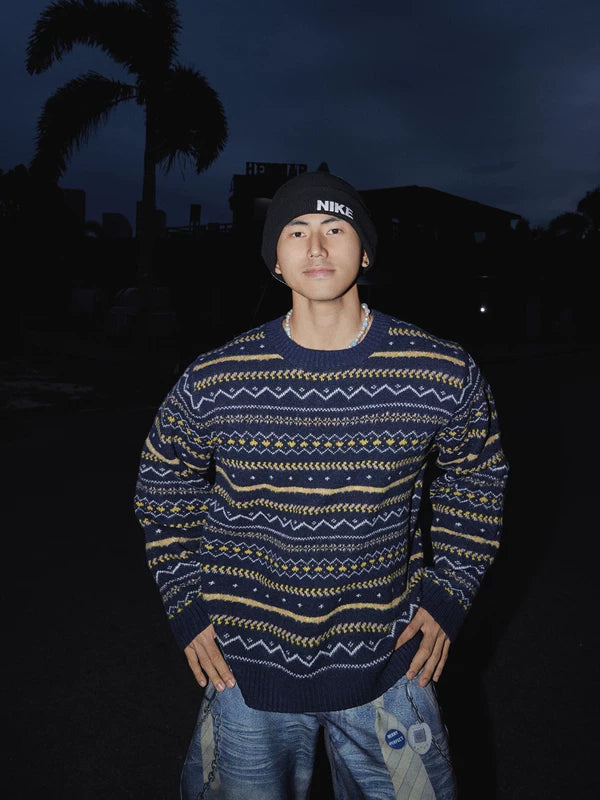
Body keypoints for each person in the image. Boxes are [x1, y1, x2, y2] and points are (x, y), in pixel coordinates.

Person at [134, 170, 508, 799]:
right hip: (245, 671)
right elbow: (163, 485)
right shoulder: (216, 379)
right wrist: (187, 605)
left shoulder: (440, 371)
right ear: (275, 261)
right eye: (296, 231)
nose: (315, 246)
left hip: (390, 663)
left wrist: (448, 596)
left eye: (336, 228)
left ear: (365, 252)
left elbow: (477, 478)